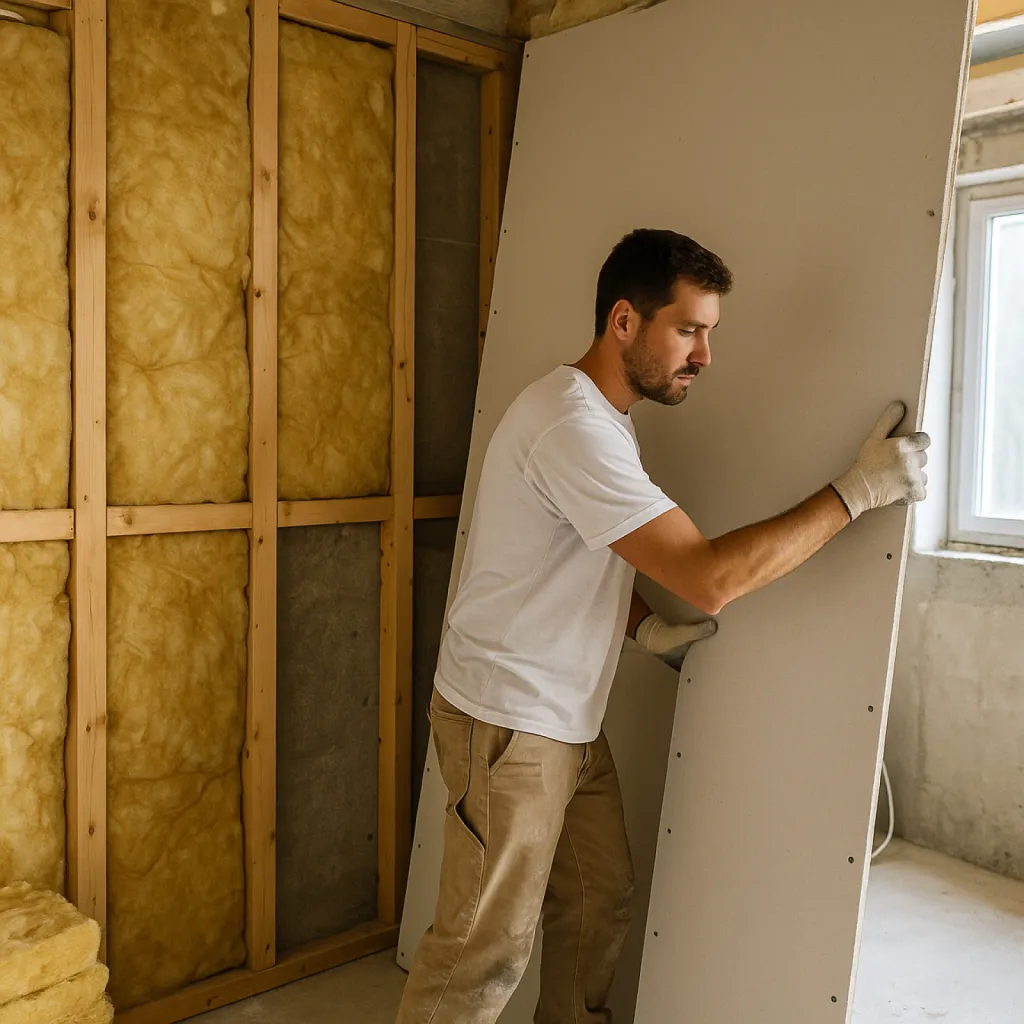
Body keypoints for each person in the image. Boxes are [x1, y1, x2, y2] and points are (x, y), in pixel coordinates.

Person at [395, 228, 929, 1024]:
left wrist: (639, 627)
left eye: (708, 331)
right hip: (509, 724)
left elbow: (574, 555)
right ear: (622, 322)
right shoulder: (570, 426)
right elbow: (711, 578)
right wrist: (857, 492)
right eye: (688, 329)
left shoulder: (604, 419)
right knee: (482, 951)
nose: (705, 354)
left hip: (563, 716)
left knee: (599, 896)